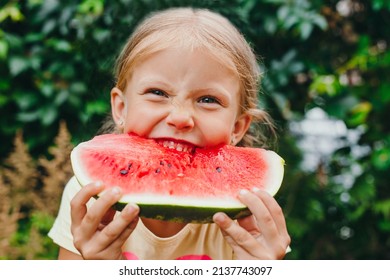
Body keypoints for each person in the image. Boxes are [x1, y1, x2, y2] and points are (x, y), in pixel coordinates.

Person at [48, 7, 291, 260]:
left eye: (208, 99)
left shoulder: (251, 216)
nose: (180, 118)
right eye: (158, 93)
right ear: (121, 108)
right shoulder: (87, 198)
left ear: (237, 128)